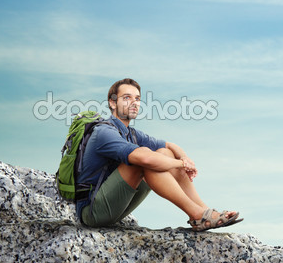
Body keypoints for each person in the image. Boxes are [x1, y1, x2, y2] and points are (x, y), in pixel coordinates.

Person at [76, 78, 242, 231]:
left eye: (137, 98)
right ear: (112, 103)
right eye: (127, 98)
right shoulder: (104, 132)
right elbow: (145, 159)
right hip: (92, 212)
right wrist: (180, 164)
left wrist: (185, 159)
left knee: (163, 153)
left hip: (114, 207)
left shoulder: (131, 133)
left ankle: (204, 211)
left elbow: (169, 145)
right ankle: (197, 215)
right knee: (144, 159)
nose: (134, 102)